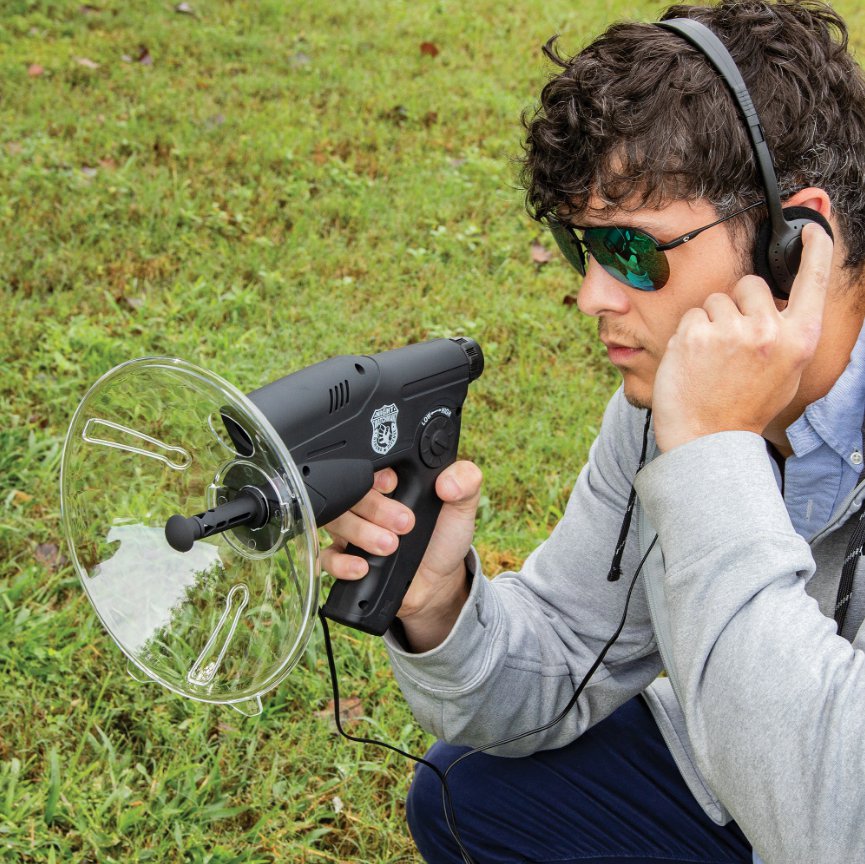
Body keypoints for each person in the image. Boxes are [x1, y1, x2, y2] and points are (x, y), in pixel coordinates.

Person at [322, 1, 865, 861]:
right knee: (467, 793)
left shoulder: (696, 416)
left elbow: (838, 821)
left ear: (794, 243)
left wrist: (713, 457)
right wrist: (439, 605)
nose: (592, 297)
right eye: (582, 248)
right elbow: (572, 650)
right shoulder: (674, 398)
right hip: (745, 781)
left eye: (634, 251)